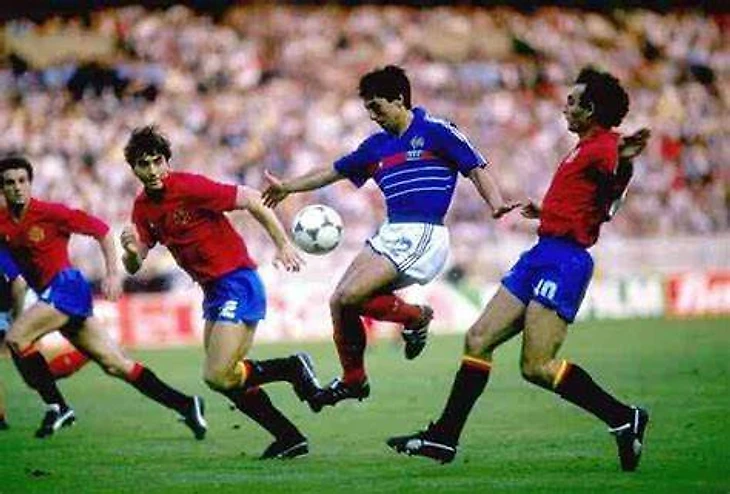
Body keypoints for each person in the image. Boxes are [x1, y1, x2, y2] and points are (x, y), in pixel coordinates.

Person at [386, 67, 652, 472]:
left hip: (565, 261)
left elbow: (615, 179)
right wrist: (549, 211)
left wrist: (625, 157)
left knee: (536, 366)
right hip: (541, 253)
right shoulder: (582, 148)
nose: (565, 107)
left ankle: (623, 417)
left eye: (572, 102)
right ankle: (444, 438)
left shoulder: (603, 146)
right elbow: (597, 204)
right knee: (478, 338)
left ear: (590, 110)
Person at [262, 65, 517, 411]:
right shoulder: (376, 146)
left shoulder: (437, 131)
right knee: (339, 302)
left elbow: (475, 168)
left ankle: (415, 317)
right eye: (368, 109)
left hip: (424, 232)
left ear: (399, 100)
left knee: (352, 295)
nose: (372, 116)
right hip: (391, 231)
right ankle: (354, 379)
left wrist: (496, 203)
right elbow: (332, 172)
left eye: (376, 107)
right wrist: (288, 187)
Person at [120, 126, 320, 459]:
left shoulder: (189, 186)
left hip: (236, 282)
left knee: (216, 373)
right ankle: (289, 437)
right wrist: (128, 252)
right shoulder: (142, 207)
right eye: (144, 164)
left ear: (167, 161)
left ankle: (291, 368)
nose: (153, 170)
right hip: (213, 292)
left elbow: (252, 198)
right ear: (134, 168)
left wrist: (283, 243)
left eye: (157, 161)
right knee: (224, 378)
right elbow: (134, 264)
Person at [0, 156, 207, 440]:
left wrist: (112, 274)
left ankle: (58, 407)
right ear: (2, 189)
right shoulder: (3, 223)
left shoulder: (50, 212)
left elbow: (102, 231)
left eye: (22, 181)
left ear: (30, 183)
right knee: (116, 364)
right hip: (52, 296)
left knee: (16, 338)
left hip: (66, 287)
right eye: (10, 182)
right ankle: (186, 404)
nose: (17, 187)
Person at [0, 245, 89, 430]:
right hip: (10, 307)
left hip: (15, 306)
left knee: (33, 373)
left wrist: (17, 318)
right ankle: (62, 407)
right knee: (32, 375)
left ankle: (81, 357)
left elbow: (19, 283)